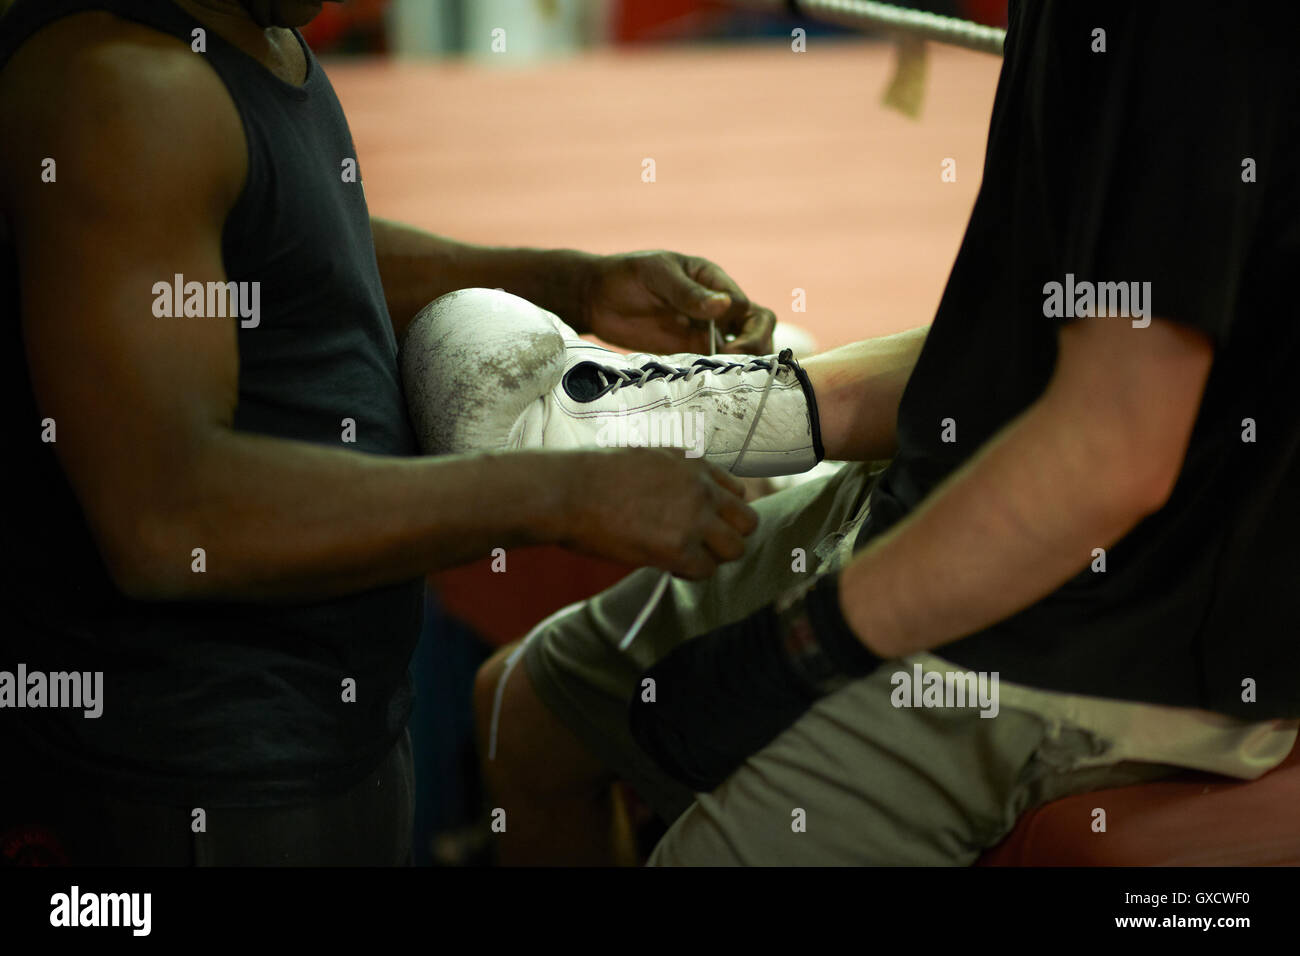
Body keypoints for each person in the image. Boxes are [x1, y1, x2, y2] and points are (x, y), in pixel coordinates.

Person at [476, 0, 1300, 865]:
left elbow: (1110, 452)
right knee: (525, 714)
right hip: (964, 497)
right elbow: (1032, 340)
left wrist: (797, 648)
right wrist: (693, 407)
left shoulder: (1177, 33)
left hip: (1104, 621)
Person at [0, 0, 776, 865]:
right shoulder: (123, 88)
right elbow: (166, 517)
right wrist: (565, 492)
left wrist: (570, 284)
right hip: (197, 784)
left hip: (326, 728)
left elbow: (285, 242)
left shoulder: (243, 33)